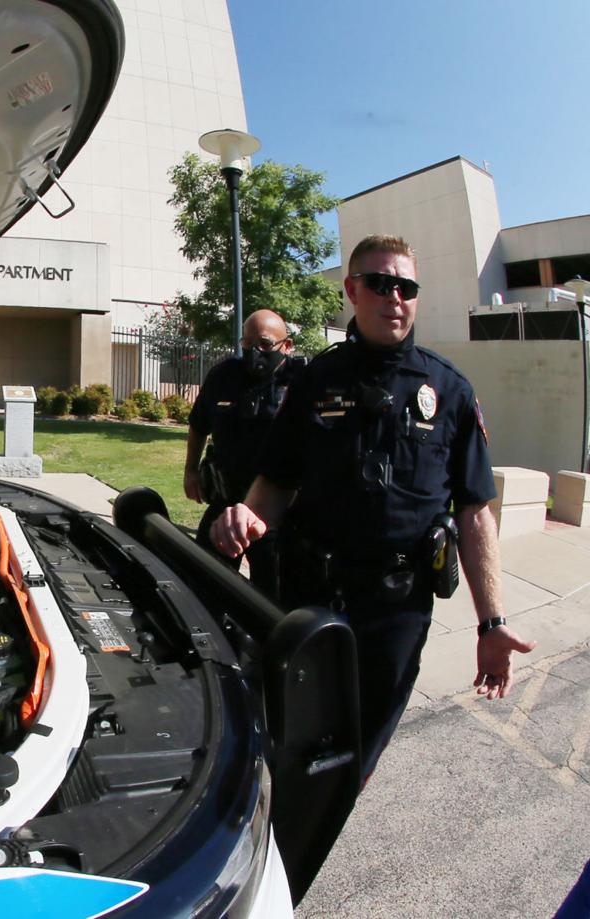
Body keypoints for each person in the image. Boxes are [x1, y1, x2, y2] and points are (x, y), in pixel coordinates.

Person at [211, 234, 536, 781]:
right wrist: (249, 513)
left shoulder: (449, 390)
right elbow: (276, 482)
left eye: (406, 287)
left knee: (356, 759)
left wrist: (492, 623)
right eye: (380, 284)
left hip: (397, 611)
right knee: (288, 738)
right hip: (312, 594)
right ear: (352, 290)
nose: (395, 297)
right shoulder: (315, 381)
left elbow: (475, 511)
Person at [183, 309, 301, 592]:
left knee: (269, 596)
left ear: (287, 345)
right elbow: (198, 425)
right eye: (247, 344)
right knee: (202, 585)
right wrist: (190, 470)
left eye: (264, 344)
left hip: (271, 515)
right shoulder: (224, 376)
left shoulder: (300, 382)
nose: (254, 352)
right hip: (225, 502)